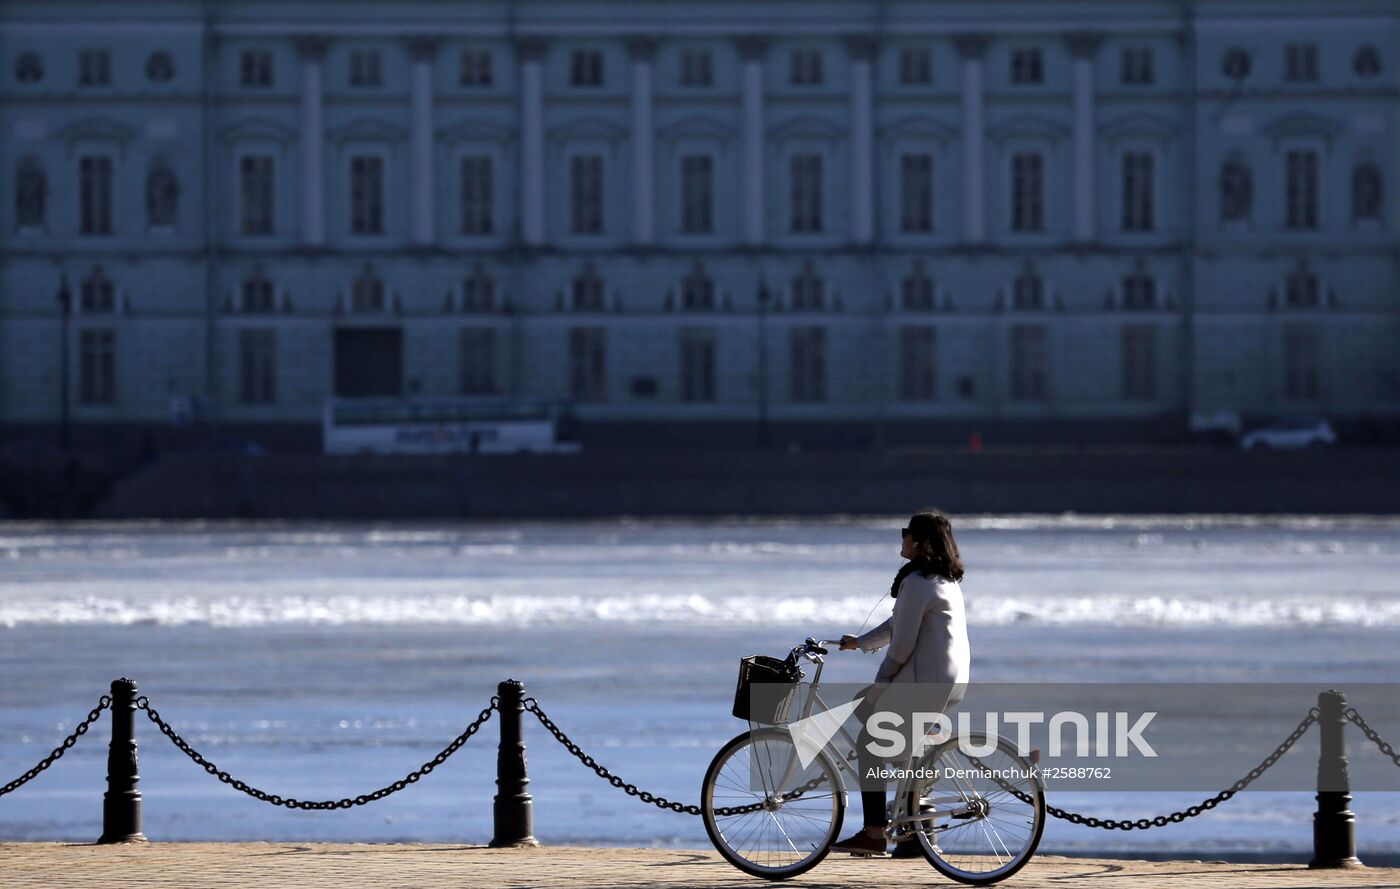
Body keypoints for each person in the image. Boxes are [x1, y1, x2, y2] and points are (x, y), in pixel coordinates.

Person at [829, 510, 971, 857]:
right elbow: (896, 624)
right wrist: (859, 643)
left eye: (906, 532)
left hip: (926, 681)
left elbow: (902, 644)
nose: (902, 538)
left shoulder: (918, 582)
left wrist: (882, 681)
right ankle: (912, 782)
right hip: (950, 680)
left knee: (868, 744)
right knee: (867, 707)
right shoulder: (939, 579)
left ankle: (875, 832)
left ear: (920, 542)